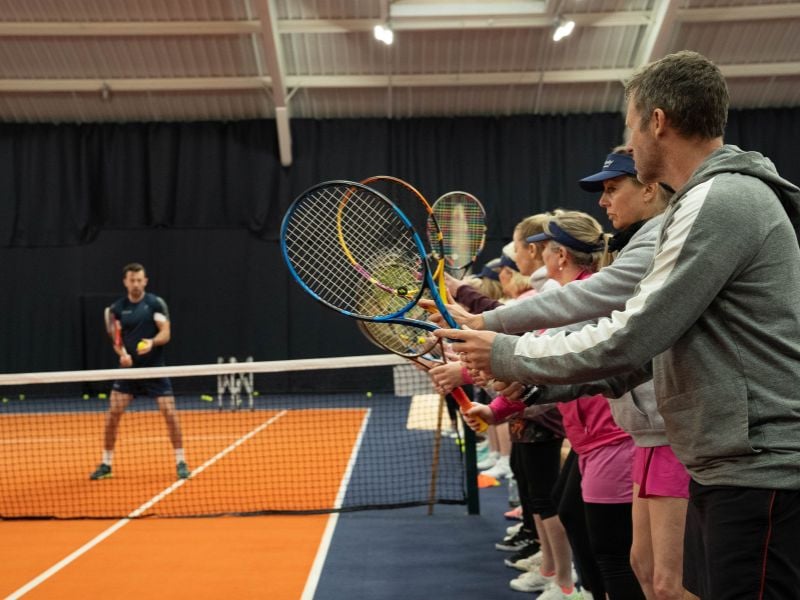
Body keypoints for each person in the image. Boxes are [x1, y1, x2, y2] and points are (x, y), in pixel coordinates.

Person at [439, 50, 800, 599]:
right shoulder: (703, 204)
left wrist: (509, 353)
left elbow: (632, 333)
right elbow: (652, 352)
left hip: (756, 470)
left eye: (631, 126)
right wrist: (537, 380)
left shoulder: (721, 200)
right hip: (729, 465)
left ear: (658, 121)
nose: (629, 143)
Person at [89, 263, 190, 481]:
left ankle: (181, 461)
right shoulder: (117, 308)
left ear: (145, 281)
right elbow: (116, 341)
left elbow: (166, 333)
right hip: (129, 372)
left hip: (154, 370)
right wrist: (122, 354)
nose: (135, 283)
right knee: (112, 415)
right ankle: (106, 463)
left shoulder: (155, 304)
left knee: (170, 414)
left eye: (139, 280)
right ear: (125, 282)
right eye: (131, 280)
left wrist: (152, 342)